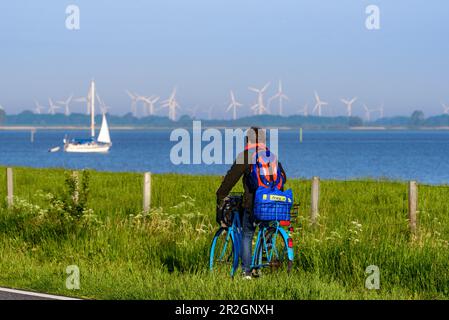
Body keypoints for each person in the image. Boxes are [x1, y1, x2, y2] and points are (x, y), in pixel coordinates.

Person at [216, 127, 286, 279]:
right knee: (265, 228)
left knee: (247, 234)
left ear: (247, 140)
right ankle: (260, 266)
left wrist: (221, 194)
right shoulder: (271, 156)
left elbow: (231, 178)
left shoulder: (246, 155)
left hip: (254, 203)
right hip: (273, 204)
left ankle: (246, 272)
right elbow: (282, 178)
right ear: (264, 140)